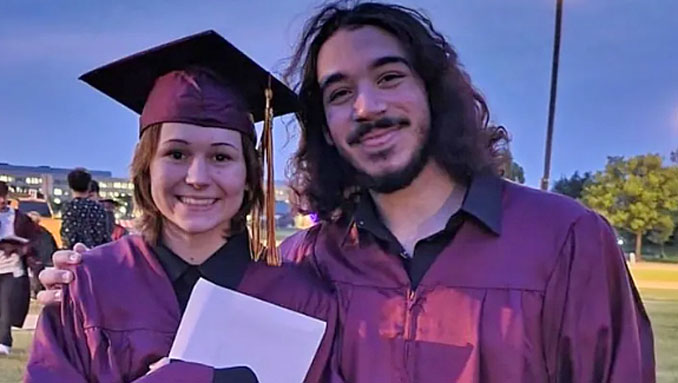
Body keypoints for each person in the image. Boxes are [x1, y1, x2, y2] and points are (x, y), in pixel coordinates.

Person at [39, 2, 656, 382]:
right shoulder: (314, 265)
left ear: (432, 90)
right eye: (338, 93)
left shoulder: (566, 240)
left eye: (389, 77)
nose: (368, 106)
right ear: (325, 129)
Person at [26, 31, 335, 383]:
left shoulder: (302, 299)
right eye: (176, 153)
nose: (197, 177)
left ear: (250, 174)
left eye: (221, 156)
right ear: (147, 167)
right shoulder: (89, 284)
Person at [0, 181, 42, 356]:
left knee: (7, 305)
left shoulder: (19, 218)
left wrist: (23, 248)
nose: (1, 200)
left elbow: (35, 239)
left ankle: (3, 342)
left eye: (3, 196)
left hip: (12, 267)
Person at [60, 169, 110, 249]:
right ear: (89, 185)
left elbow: (67, 235)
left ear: (70, 186)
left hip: (74, 255)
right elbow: (105, 236)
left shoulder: (68, 207)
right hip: (96, 253)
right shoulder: (98, 208)